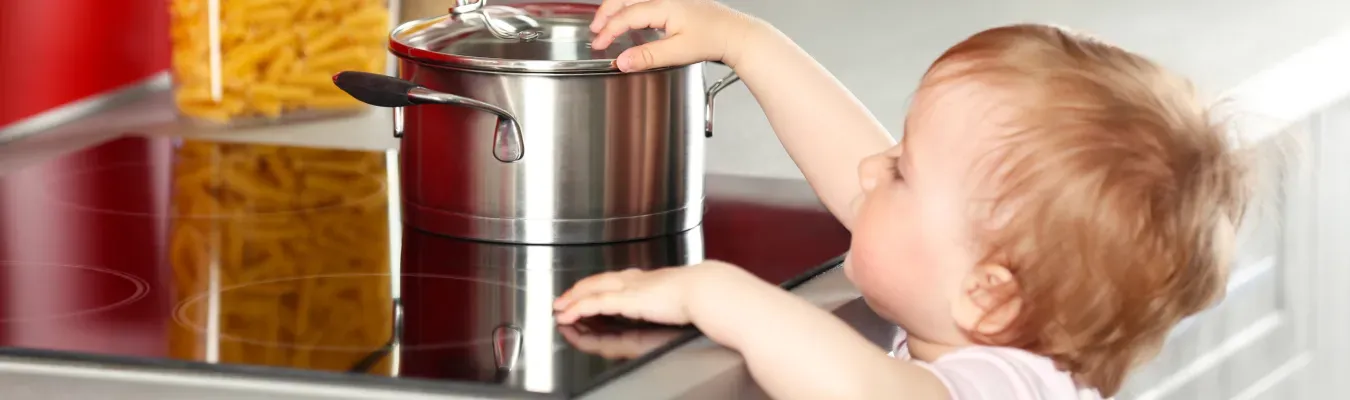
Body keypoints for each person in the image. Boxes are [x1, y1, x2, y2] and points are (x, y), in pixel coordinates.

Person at [551, 0, 1251, 398]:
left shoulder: (1016, 387)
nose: (867, 171)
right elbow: (877, 192)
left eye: (901, 172)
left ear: (991, 294)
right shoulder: (962, 295)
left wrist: (719, 294)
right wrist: (748, 44)